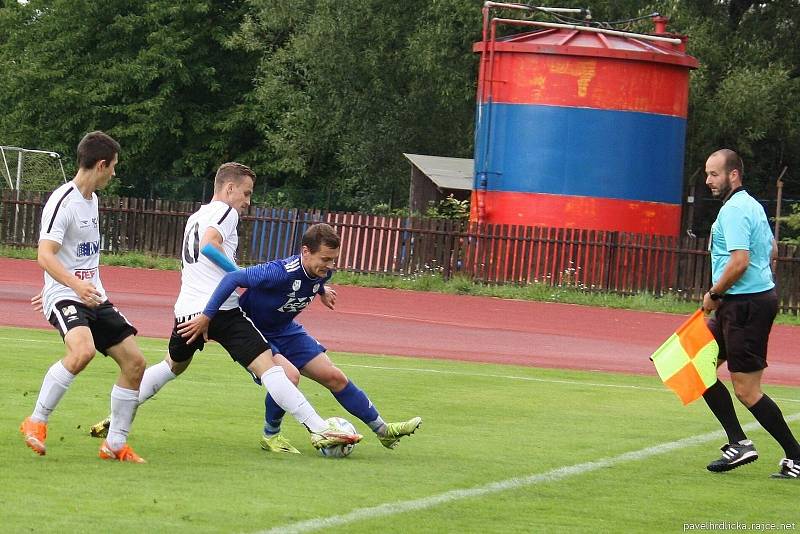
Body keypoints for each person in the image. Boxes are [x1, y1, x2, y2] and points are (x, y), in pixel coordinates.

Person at [90, 164, 360, 450]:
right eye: (246, 193)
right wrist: (242, 276)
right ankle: (318, 428)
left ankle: (115, 417)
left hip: (186, 312)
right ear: (229, 188)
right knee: (271, 369)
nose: (247, 201)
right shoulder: (226, 212)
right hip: (220, 309)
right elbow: (209, 245)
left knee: (172, 366)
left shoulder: (196, 215)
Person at [178, 223, 421, 454]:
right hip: (254, 332)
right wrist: (207, 317)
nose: (329, 266)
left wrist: (322, 290)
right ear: (305, 251)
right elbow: (232, 278)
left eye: (333, 260)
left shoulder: (321, 273)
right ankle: (271, 435)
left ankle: (383, 430)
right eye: (324, 259)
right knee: (289, 376)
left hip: (286, 330)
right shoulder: (278, 271)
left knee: (334, 377)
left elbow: (313, 281)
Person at [20, 131, 147, 462]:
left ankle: (115, 444)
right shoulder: (64, 201)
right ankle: (36, 421)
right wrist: (66, 288)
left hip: (92, 296)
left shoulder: (92, 201)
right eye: (114, 167)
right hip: (70, 294)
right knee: (83, 351)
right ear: (101, 164)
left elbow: (74, 257)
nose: (114, 174)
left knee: (135, 363)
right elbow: (45, 255)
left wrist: (64, 285)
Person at [701, 149, 799, 479]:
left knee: (746, 389)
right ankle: (738, 442)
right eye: (707, 174)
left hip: (744, 306)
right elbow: (770, 249)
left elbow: (740, 261)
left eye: (714, 174)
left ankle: (796, 456)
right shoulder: (751, 205)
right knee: (694, 363)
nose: (708, 180)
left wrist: (715, 294)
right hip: (742, 303)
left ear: (733, 175)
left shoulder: (734, 210)